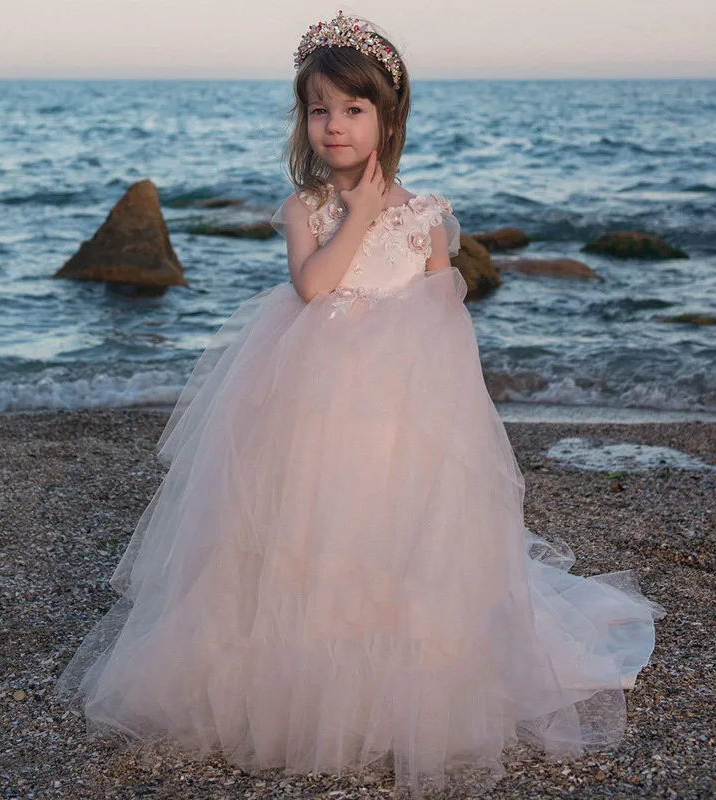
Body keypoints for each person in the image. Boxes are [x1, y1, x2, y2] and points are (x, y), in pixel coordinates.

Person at [54, 10, 666, 799]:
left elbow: (446, 328)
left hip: (395, 414)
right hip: (309, 407)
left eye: (353, 109)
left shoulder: (430, 217)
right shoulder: (305, 208)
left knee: (391, 538)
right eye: (319, 109)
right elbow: (314, 288)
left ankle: (394, 680)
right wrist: (363, 215)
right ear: (302, 118)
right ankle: (292, 673)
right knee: (297, 535)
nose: (334, 125)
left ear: (388, 117)